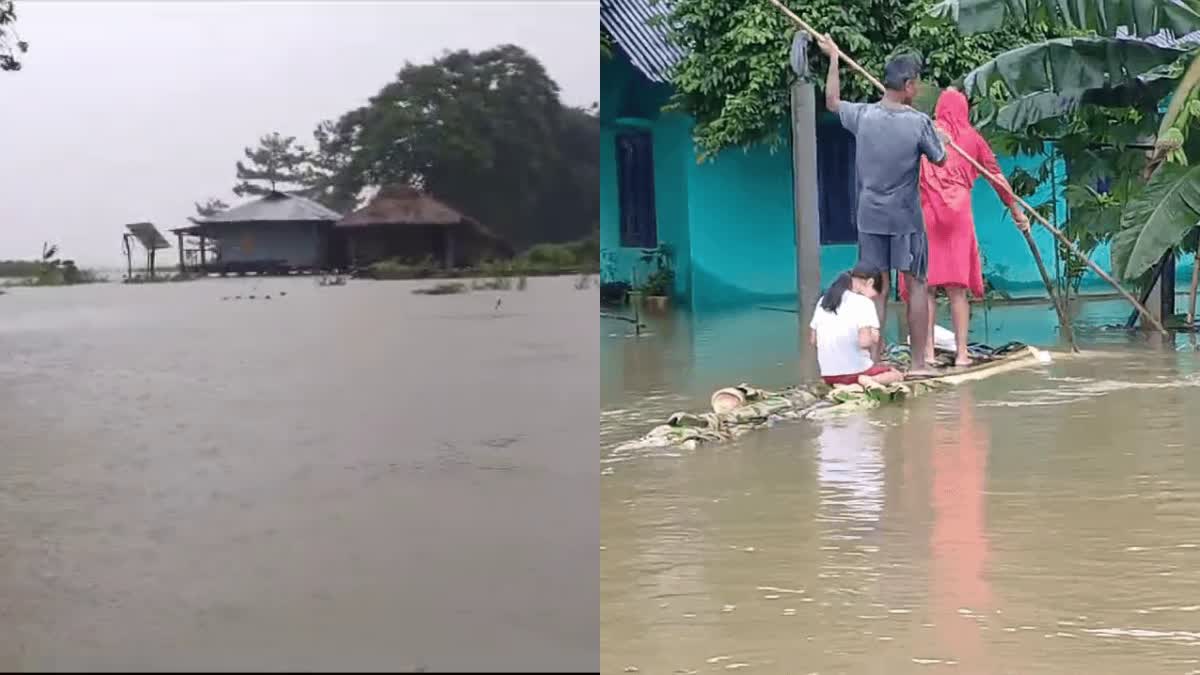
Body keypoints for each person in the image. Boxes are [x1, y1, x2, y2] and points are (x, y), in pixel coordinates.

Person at [817, 36, 948, 377]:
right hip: (905, 219)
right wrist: (940, 137)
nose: (917, 88)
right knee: (916, 285)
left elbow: (832, 101)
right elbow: (941, 159)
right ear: (907, 85)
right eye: (915, 83)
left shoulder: (862, 115)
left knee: (875, 288)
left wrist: (833, 58)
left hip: (870, 216)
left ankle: (873, 363)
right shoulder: (917, 122)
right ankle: (919, 364)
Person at [899, 87, 1030, 366]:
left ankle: (928, 353)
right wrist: (1016, 211)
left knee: (928, 288)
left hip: (927, 214)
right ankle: (961, 354)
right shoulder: (972, 139)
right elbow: (996, 177)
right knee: (958, 290)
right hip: (958, 215)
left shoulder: (925, 132)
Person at [809, 263, 905, 387]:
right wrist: (874, 335)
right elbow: (864, 342)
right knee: (896, 374)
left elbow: (813, 340)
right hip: (855, 373)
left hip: (828, 375)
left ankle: (842, 383)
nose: (873, 298)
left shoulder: (824, 300)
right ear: (870, 282)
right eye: (874, 294)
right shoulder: (864, 303)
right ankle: (868, 381)